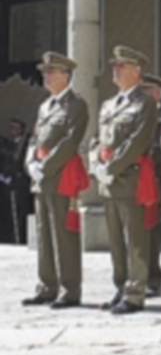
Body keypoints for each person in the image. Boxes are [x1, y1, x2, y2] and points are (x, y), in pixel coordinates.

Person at [89, 46, 158, 314]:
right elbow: (98, 138)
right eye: (115, 66)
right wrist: (95, 160)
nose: (115, 71)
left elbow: (138, 141)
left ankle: (135, 292)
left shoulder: (144, 103)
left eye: (122, 66)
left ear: (136, 71)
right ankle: (120, 286)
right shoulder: (109, 104)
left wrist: (112, 166)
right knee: (116, 240)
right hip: (109, 181)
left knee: (135, 239)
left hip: (130, 178)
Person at [22, 52, 89, 309]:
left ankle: (70, 289)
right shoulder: (45, 106)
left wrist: (46, 166)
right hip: (41, 179)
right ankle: (47, 286)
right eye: (44, 72)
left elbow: (70, 140)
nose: (46, 76)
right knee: (44, 234)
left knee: (64, 233)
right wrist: (30, 162)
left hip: (61, 177)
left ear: (66, 76)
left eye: (51, 72)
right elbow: (34, 138)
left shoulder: (76, 105)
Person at [141, 73, 161, 297]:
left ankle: (152, 278)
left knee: (151, 228)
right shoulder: (137, 114)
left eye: (147, 91)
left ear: (158, 94)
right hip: (136, 175)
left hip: (157, 176)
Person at [0, 118, 32, 244]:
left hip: (20, 183)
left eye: (15, 128)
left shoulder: (24, 143)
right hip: (7, 182)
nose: (12, 131)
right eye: (11, 128)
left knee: (20, 211)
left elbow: (18, 161)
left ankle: (20, 237)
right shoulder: (7, 144)